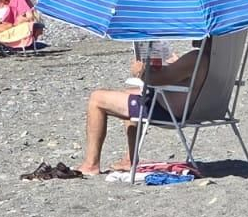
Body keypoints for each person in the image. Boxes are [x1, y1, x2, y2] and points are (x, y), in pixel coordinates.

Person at [77, 38, 211, 176]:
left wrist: (140, 72)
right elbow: (178, 76)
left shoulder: (196, 58)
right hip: (198, 109)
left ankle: (90, 164)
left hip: (169, 112)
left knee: (97, 99)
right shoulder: (218, 60)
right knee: (129, 93)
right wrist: (173, 65)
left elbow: (155, 80)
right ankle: (130, 159)